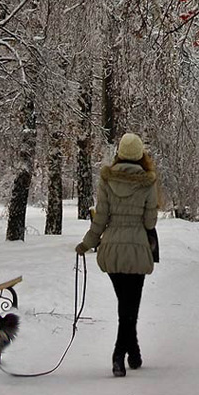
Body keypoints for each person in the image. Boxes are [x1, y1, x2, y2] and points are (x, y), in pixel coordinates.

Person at [76, 132, 158, 377]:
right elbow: (150, 220)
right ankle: (118, 355)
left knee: (125, 304)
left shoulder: (107, 180)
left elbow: (100, 219)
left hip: (111, 250)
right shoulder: (147, 182)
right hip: (137, 249)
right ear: (140, 154)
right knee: (130, 306)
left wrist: (86, 244)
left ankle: (133, 353)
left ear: (119, 153)